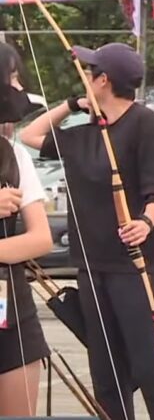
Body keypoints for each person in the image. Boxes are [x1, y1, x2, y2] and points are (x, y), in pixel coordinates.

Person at [20, 42, 154, 420]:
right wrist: (73, 104)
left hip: (134, 268)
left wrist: (144, 223)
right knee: (106, 372)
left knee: (150, 369)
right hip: (92, 266)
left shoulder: (143, 123)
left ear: (103, 80)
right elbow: (31, 135)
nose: (86, 79)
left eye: (90, 74)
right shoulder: (86, 133)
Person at [0, 42, 53, 417]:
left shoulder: (13, 154)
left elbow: (41, 237)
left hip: (11, 307)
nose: (19, 87)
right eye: (13, 77)